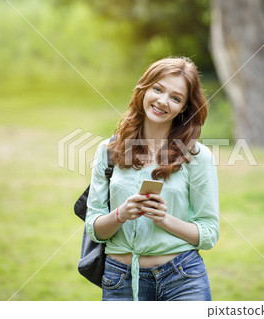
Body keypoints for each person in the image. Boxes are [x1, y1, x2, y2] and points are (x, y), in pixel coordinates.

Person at [85, 57, 220, 301]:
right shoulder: (108, 150)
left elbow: (209, 233)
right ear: (144, 88)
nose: (162, 101)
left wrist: (164, 219)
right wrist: (120, 214)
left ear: (184, 108)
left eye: (176, 98)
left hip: (182, 278)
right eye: (157, 89)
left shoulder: (197, 156)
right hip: (120, 280)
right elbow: (93, 228)